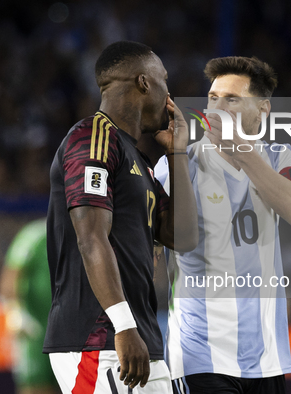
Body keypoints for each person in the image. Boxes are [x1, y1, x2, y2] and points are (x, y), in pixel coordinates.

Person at [43, 41, 197, 394]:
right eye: (164, 80)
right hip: (100, 337)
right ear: (144, 83)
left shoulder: (138, 160)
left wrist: (177, 154)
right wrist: (124, 326)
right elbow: (90, 237)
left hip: (136, 339)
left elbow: (183, 237)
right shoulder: (93, 137)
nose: (169, 93)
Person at [154, 56, 291, 394]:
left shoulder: (280, 157)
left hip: (266, 357)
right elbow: (148, 249)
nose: (217, 107)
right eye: (213, 98)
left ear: (263, 110)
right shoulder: (180, 164)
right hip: (200, 353)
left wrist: (242, 152)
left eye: (232, 99)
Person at [0, 218, 58, 393]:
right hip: (35, 329)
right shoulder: (35, 234)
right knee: (34, 385)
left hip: (69, 328)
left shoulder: (82, 233)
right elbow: (12, 273)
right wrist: (15, 312)